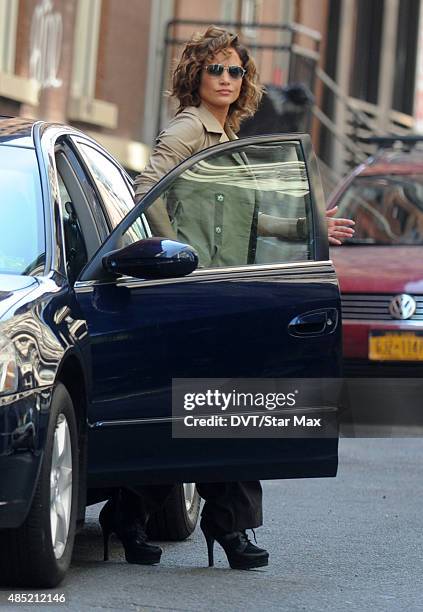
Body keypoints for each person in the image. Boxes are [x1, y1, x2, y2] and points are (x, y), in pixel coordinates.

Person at [99, 25, 354, 571]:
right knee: (194, 411)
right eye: (215, 68)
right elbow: (146, 192)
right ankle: (138, 516)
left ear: (245, 81)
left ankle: (222, 527)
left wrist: (309, 226)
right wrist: (174, 256)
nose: (225, 78)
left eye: (235, 70)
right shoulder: (191, 127)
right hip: (189, 295)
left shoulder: (228, 140)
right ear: (197, 75)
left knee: (227, 410)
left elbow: (248, 218)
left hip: (226, 296)